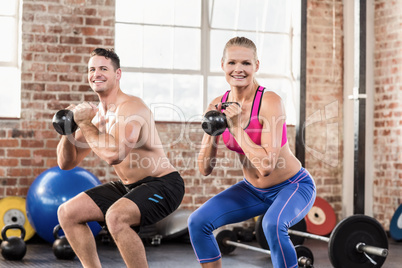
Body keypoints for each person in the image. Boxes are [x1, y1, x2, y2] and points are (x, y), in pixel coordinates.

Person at [188, 37, 316, 268]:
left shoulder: (270, 102)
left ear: (256, 65)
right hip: (253, 190)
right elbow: (204, 169)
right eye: (232, 63)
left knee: (273, 225)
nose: (239, 69)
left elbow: (266, 166)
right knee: (198, 222)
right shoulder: (218, 104)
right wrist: (212, 131)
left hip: (293, 186)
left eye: (246, 63)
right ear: (222, 65)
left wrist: (236, 127)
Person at [56, 48, 185, 268]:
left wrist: (84, 123)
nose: (96, 73)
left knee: (116, 217)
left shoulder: (131, 108)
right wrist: (68, 129)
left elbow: (114, 155)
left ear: (118, 74)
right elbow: (66, 163)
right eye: (92, 69)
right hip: (129, 186)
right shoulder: (97, 118)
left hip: (163, 185)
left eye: (103, 69)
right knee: (67, 213)